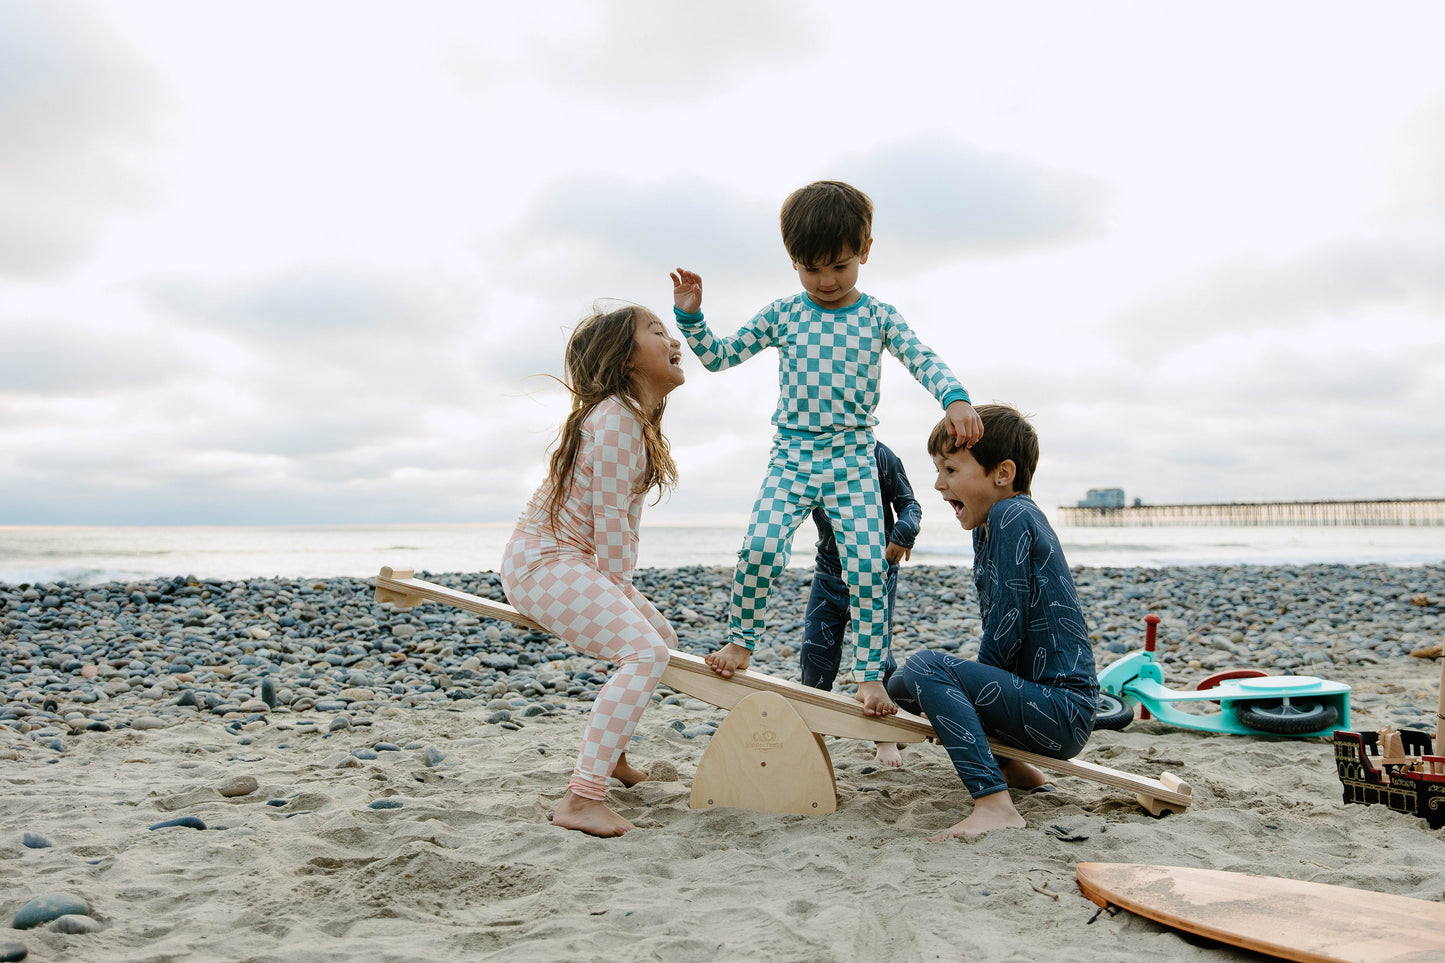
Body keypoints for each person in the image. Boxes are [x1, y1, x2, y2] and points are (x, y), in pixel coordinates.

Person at [670, 180, 982, 719]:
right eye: (812, 268)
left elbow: (922, 358)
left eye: (839, 266)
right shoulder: (785, 313)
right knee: (760, 548)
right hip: (791, 455)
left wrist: (954, 399)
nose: (827, 281)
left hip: (853, 458)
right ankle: (742, 644)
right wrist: (692, 318)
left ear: (864, 252)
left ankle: (868, 679)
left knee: (865, 568)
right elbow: (720, 358)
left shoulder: (878, 316)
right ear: (793, 262)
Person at [500, 302, 686, 837]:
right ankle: (582, 799)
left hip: (571, 559)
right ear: (626, 358)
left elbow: (622, 520)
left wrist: (623, 593)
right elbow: (609, 522)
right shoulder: (616, 419)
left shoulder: (632, 419)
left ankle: (613, 757)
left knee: (660, 637)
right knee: (645, 649)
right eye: (655, 331)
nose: (671, 339)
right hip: (543, 563)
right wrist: (620, 589)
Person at [886, 404, 1098, 840]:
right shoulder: (988, 526)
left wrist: (966, 703)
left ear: (1002, 474)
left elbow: (1006, 623)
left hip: (1061, 710)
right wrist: (957, 704)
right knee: (901, 684)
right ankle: (1016, 769)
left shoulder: (1012, 516)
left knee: (928, 666)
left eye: (950, 468)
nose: (939, 483)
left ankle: (994, 803)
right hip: (1038, 708)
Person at [800, 440, 920, 768]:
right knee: (815, 650)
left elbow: (910, 504)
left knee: (878, 655)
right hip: (829, 568)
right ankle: (812, 731)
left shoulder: (880, 455)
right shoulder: (811, 452)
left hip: (876, 566)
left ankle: (885, 737)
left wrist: (904, 532)